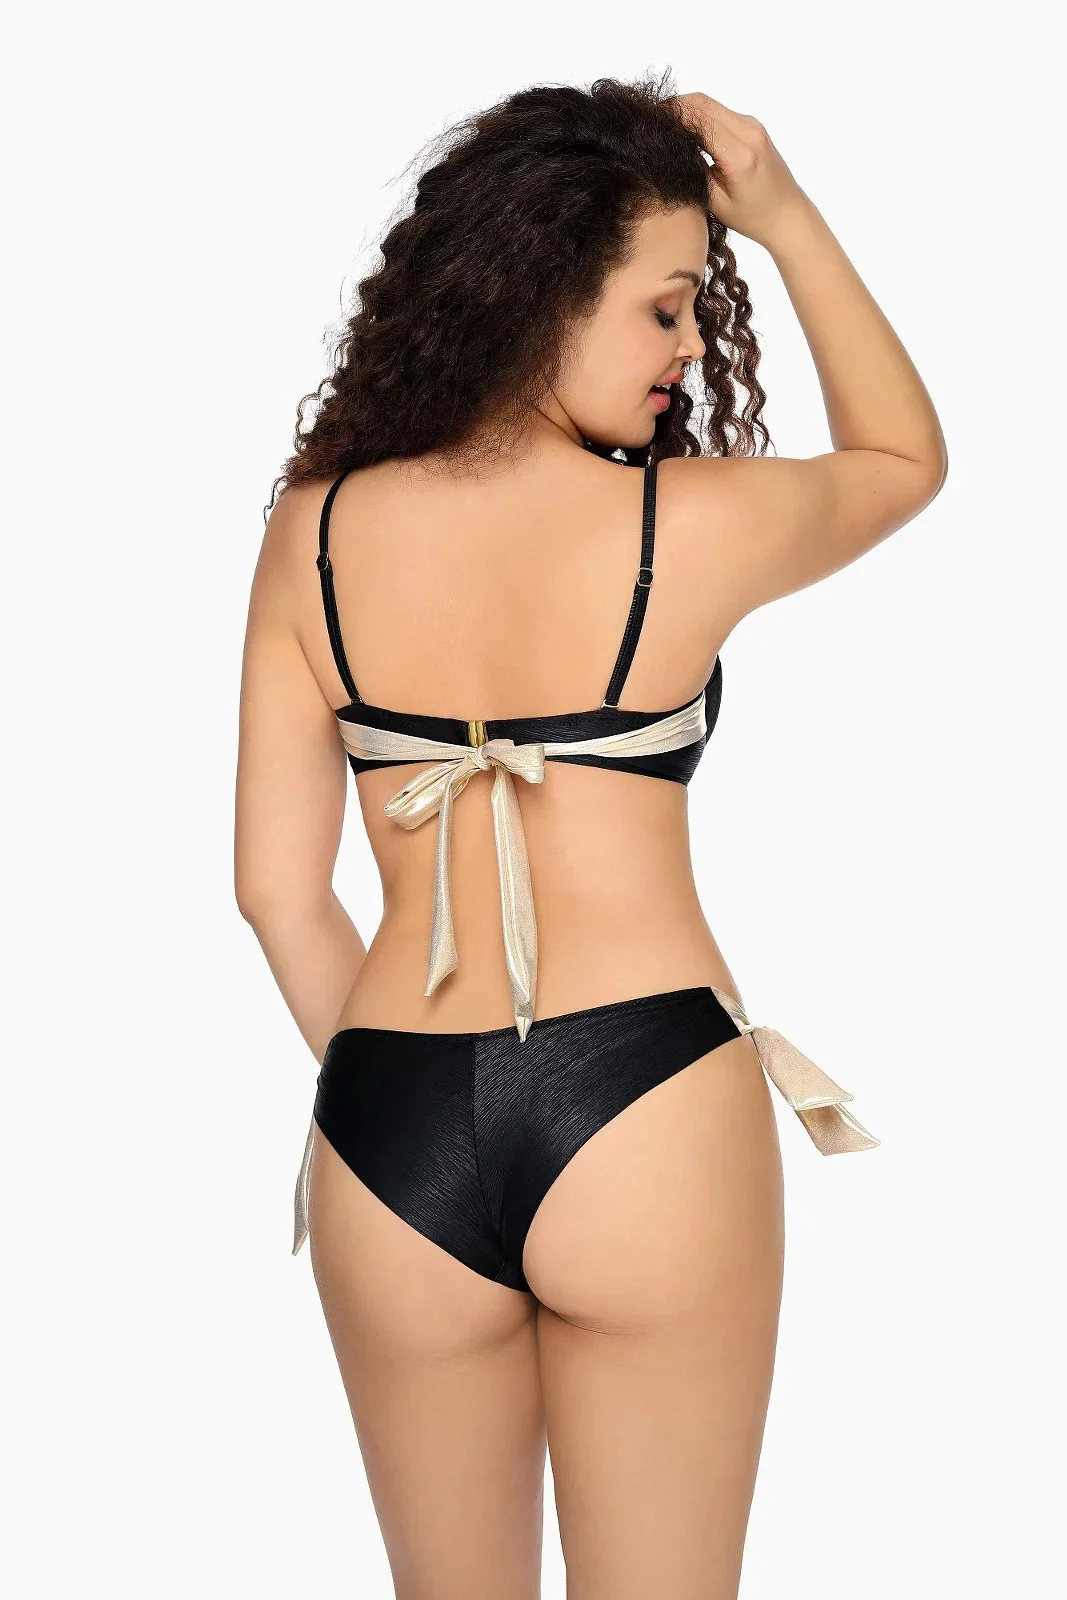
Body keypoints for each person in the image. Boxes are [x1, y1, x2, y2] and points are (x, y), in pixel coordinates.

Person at [235, 75, 946, 1600]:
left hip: (388, 1124)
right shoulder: (678, 524)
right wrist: (787, 220)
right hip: (641, 1105)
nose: (690, 347)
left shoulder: (317, 533)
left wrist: (411, 1098)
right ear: (544, 295)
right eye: (666, 307)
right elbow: (901, 461)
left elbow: (277, 895)